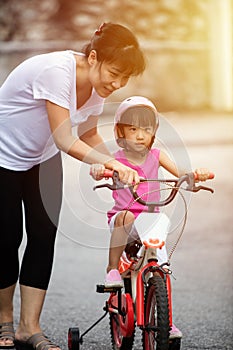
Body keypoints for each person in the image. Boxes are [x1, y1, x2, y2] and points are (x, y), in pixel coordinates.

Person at [0, 23, 146, 350]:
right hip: (3, 156)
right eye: (115, 73)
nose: (118, 84)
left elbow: (89, 134)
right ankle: (4, 323)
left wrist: (120, 167)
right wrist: (113, 164)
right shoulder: (57, 72)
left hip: (42, 157)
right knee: (7, 237)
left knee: (43, 234)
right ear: (93, 57)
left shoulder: (97, 88)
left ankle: (29, 328)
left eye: (126, 79)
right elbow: (65, 137)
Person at [91, 95, 211, 339]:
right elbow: (99, 169)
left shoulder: (156, 155)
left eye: (145, 129)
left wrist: (194, 174)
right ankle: (112, 269)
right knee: (125, 215)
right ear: (120, 132)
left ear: (154, 132)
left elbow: (181, 173)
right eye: (132, 128)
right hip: (124, 223)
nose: (139, 134)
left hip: (149, 221)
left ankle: (167, 322)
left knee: (162, 269)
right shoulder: (117, 160)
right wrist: (98, 169)